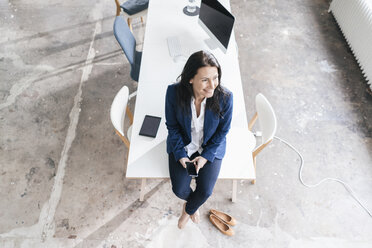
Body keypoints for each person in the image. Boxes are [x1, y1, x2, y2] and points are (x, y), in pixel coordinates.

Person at [165, 50, 233, 229]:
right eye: (205, 80)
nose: (212, 85)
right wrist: (180, 155)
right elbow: (172, 127)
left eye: (215, 77)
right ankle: (192, 206)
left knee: (205, 191)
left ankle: (188, 209)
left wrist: (205, 157)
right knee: (179, 189)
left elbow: (222, 132)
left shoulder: (225, 97)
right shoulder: (173, 93)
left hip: (210, 147)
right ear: (190, 79)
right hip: (183, 146)